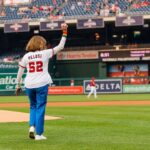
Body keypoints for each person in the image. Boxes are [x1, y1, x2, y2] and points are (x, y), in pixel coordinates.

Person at [15, 23, 68, 140]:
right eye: (43, 43)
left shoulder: (26, 56)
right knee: (40, 107)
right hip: (42, 84)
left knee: (32, 106)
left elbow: (19, 72)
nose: (44, 45)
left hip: (29, 84)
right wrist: (64, 32)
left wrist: (17, 85)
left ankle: (31, 127)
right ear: (40, 44)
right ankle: (39, 134)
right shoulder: (45, 53)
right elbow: (60, 46)